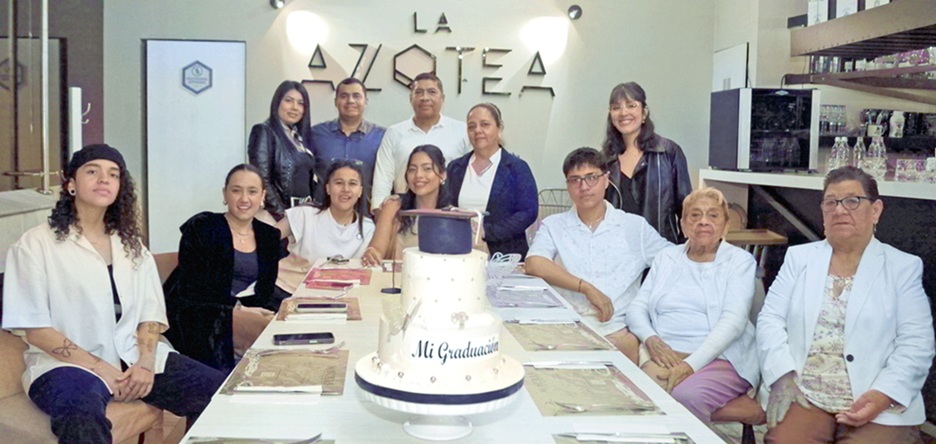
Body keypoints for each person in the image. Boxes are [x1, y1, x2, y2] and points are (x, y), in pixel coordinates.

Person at [1, 144, 224, 443]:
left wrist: (145, 363)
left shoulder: (131, 246)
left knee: (218, 393)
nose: (104, 179)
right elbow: (38, 330)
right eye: (92, 171)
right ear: (71, 184)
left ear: (120, 186)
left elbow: (150, 314)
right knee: (82, 415)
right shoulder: (35, 246)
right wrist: (102, 370)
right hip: (64, 366)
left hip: (135, 358)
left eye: (113, 174)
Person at [757, 166, 934, 443]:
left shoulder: (902, 267)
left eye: (852, 201)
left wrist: (882, 395)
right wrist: (781, 373)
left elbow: (917, 343)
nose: (840, 210)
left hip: (876, 399)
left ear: (875, 210)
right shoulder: (799, 259)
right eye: (831, 202)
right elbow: (770, 319)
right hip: (806, 394)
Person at [626, 187, 759, 423]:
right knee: (637, 396)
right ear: (683, 225)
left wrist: (690, 365)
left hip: (721, 358)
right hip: (665, 354)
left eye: (713, 215)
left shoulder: (740, 262)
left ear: (726, 226)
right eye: (695, 215)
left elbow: (734, 322)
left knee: (686, 397)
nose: (703, 222)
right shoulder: (667, 258)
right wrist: (650, 339)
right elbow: (637, 308)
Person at [525, 147, 671, 362]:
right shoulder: (554, 225)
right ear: (568, 186)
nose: (583, 187)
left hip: (616, 328)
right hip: (566, 326)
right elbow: (534, 263)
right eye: (575, 180)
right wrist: (586, 288)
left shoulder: (634, 226)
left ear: (606, 180)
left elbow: (674, 260)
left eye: (591, 177)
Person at [163, 164, 282, 374]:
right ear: (225, 194)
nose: (244, 199)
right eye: (236, 190)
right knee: (259, 332)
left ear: (262, 196)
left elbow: (264, 291)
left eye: (252, 191)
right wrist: (237, 311)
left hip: (247, 314)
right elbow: (193, 288)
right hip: (197, 315)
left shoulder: (269, 236)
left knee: (284, 336)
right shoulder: (203, 226)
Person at [602, 82, 692, 244]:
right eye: (616, 108)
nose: (624, 112)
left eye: (631, 105)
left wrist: (680, 252)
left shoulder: (668, 152)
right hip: (618, 253)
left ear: (644, 112)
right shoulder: (605, 159)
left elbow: (687, 209)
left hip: (661, 251)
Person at [445, 103, 538, 258]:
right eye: (471, 126)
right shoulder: (455, 168)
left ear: (499, 129)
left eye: (485, 124)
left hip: (505, 255)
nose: (478, 131)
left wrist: (487, 232)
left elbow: (528, 212)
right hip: (459, 252)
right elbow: (444, 206)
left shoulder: (517, 168)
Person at [371, 72, 470, 212]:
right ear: (411, 99)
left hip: (450, 213)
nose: (425, 98)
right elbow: (383, 179)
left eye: (431, 92)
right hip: (404, 213)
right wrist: (379, 213)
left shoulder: (462, 131)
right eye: (419, 92)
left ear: (442, 98)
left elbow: (470, 177)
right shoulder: (394, 133)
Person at [361, 144, 453, 266]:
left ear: (443, 175)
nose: (418, 175)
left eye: (427, 169)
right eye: (412, 169)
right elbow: (377, 249)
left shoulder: (453, 215)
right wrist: (372, 254)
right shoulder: (394, 207)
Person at [276, 159, 375, 262]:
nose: (346, 189)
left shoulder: (368, 228)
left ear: (360, 191)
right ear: (328, 188)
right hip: (298, 278)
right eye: (339, 183)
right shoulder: (304, 215)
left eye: (352, 184)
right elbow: (265, 238)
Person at [310, 77, 386, 206]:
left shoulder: (382, 137)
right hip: (322, 213)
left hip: (366, 217)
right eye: (344, 96)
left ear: (365, 101)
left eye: (356, 96)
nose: (350, 101)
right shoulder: (316, 134)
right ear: (336, 102)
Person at [248, 80, 317, 219]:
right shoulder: (264, 131)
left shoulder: (300, 138)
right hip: (278, 216)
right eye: (289, 101)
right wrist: (282, 215)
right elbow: (261, 180)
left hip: (303, 214)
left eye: (300, 103)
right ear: (277, 103)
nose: (295, 107)